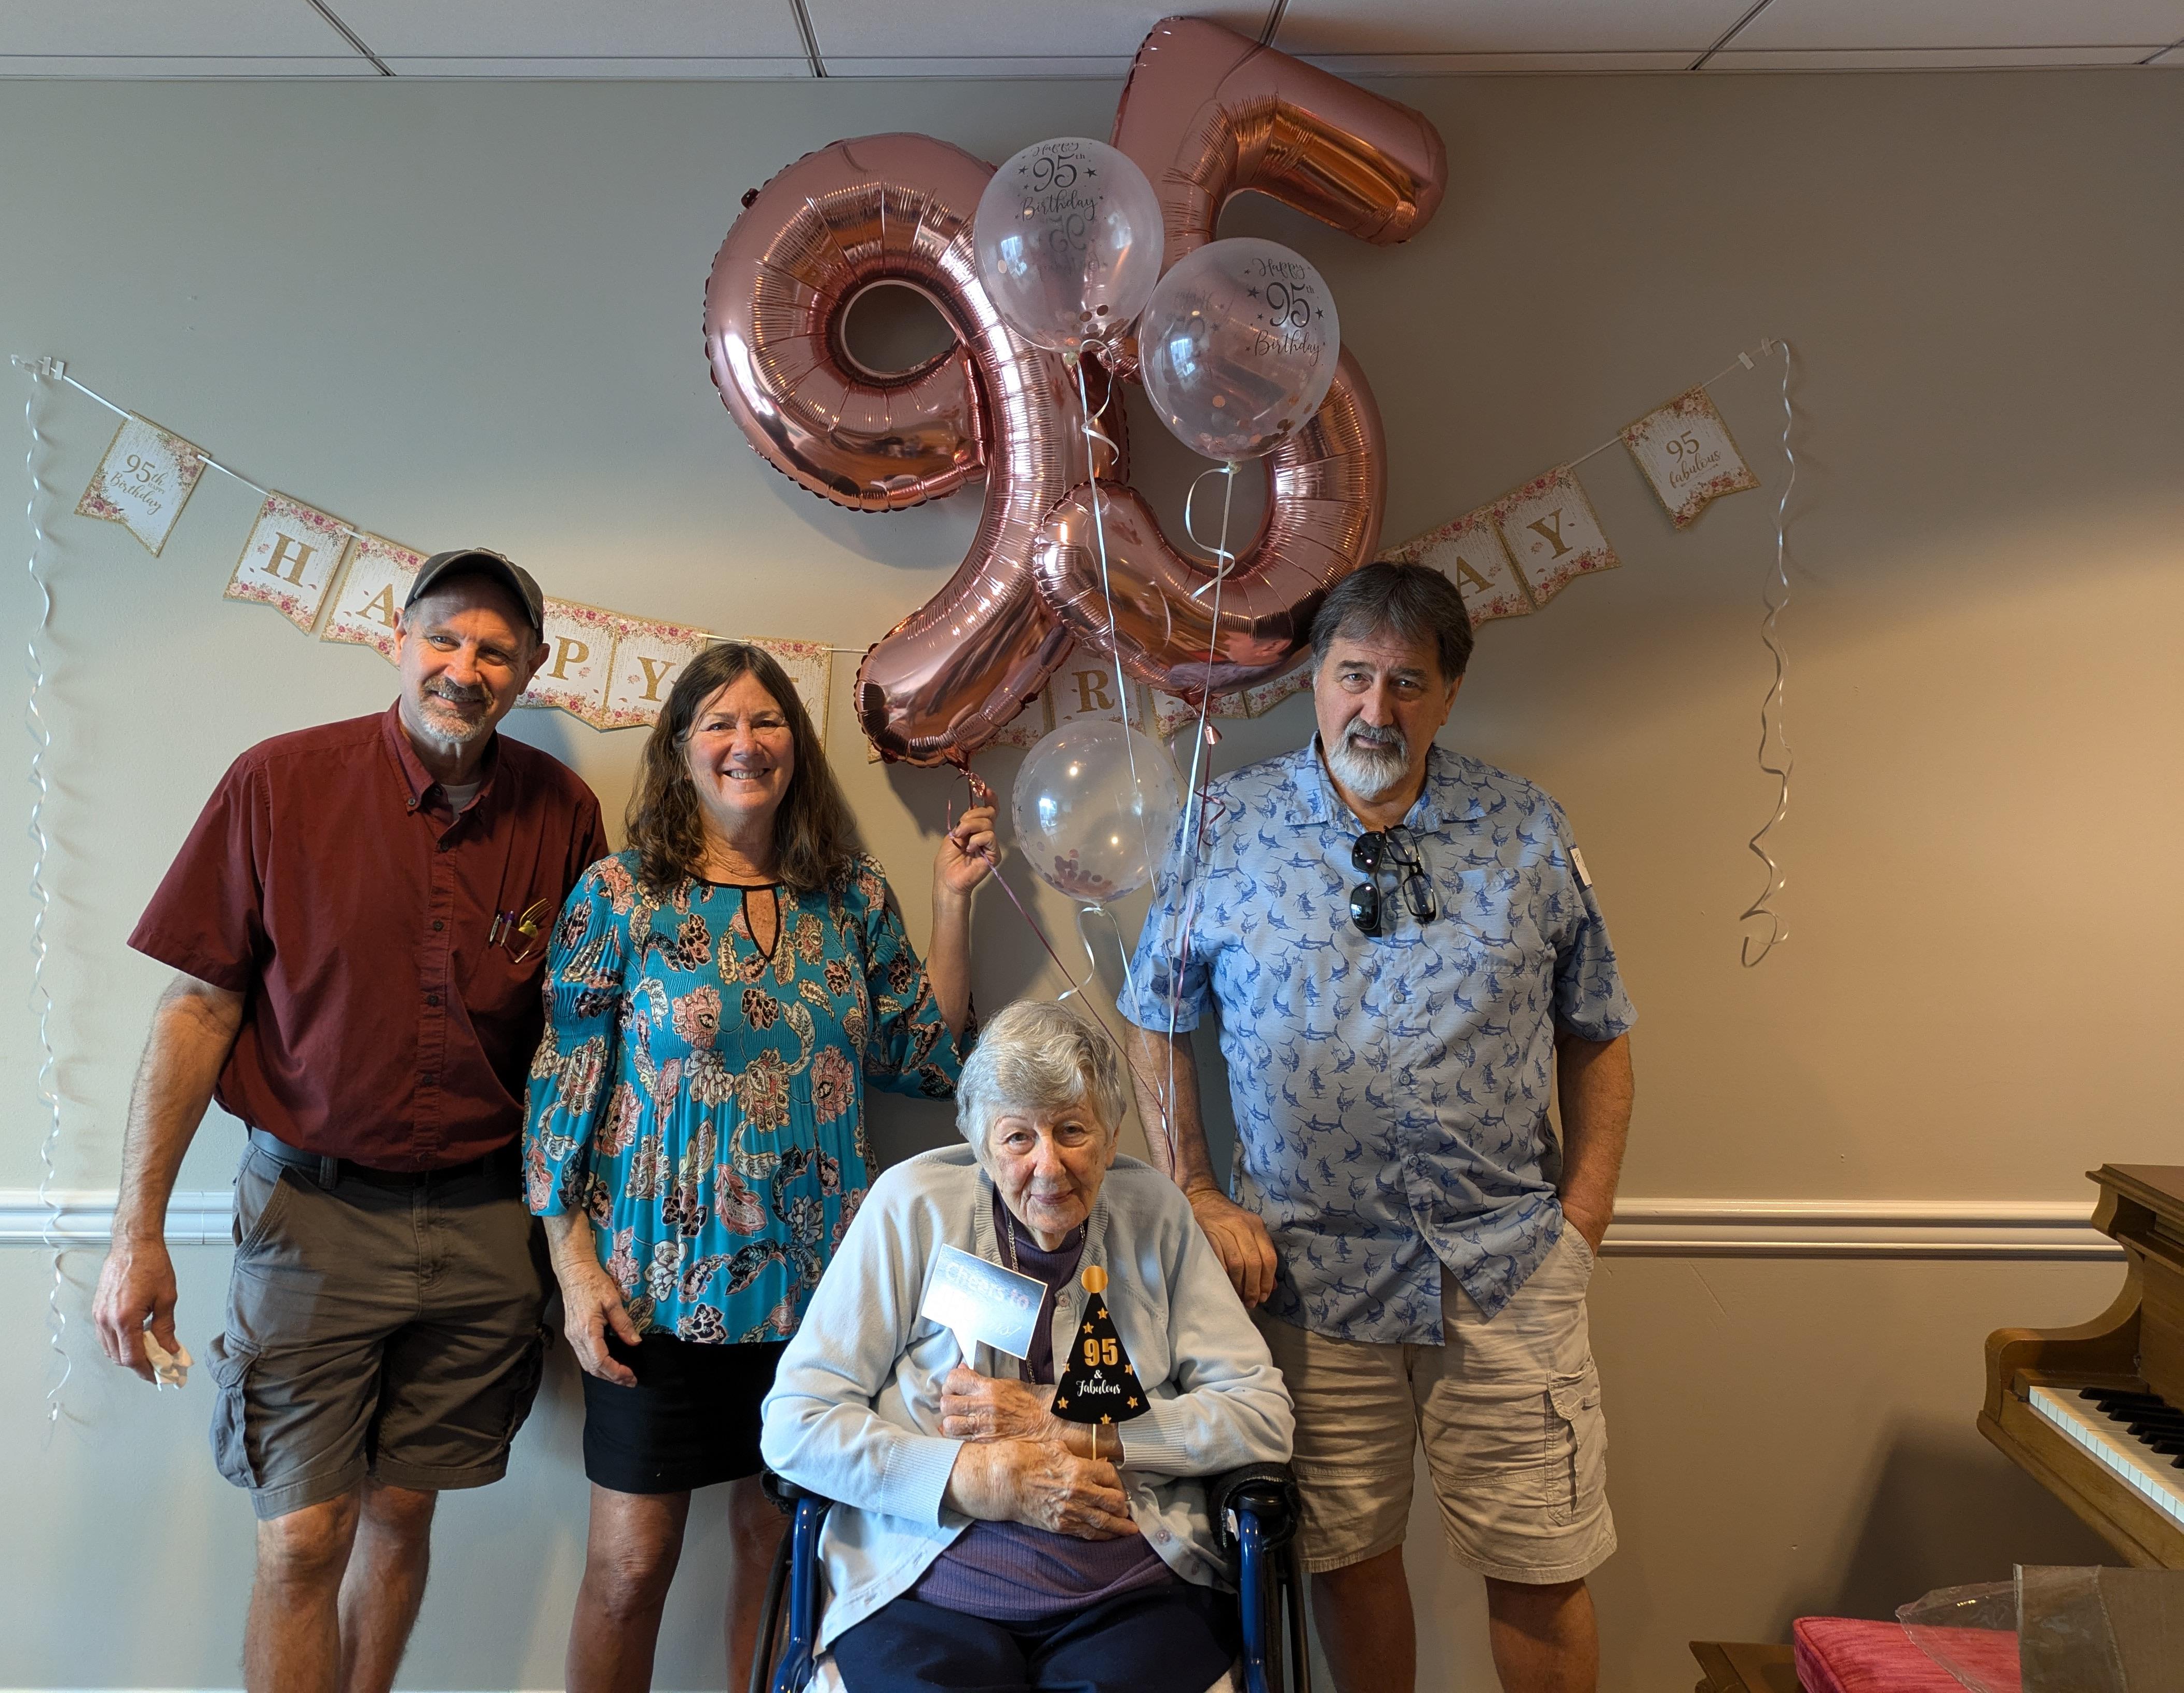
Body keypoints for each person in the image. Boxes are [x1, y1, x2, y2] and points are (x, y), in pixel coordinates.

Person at [90, 548, 607, 1693]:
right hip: (313, 1217)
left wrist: (577, 1249)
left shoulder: (562, 809)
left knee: (404, 1513)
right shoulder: (279, 783)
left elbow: (579, 1038)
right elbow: (197, 1008)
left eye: (492, 649)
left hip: (484, 1222)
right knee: (299, 1536)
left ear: (531, 669)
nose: (462, 667)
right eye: (443, 637)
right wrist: (138, 1233)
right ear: (396, 638)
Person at [1116, 561, 1637, 1693]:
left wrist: (1581, 1223)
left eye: (1407, 681)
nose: (1375, 707)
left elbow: (1596, 1029)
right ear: (1315, 678)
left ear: (1448, 693)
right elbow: (1150, 1018)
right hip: (1309, 1276)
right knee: (1345, 1560)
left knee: (1540, 1563)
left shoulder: (1525, 828)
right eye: (1353, 674)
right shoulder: (1227, 826)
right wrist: (1199, 1192)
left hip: (1502, 1267)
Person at [526, 640, 998, 1693]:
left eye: (768, 720)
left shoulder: (849, 898)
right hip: (651, 1294)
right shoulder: (618, 894)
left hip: (820, 1300)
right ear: (681, 751)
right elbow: (562, 1084)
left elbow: (925, 1055)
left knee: (775, 1550)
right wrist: (572, 1268)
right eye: (720, 724)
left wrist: (952, 900)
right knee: (627, 1564)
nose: (747, 743)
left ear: (797, 746)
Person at [760, 999, 1294, 1693]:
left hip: (1127, 1595)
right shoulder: (912, 1208)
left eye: (1072, 1130)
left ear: (1111, 1133)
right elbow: (796, 1424)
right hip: (926, 1589)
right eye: (1018, 1138)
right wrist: (977, 1480)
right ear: (980, 1143)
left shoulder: (1155, 1213)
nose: (1048, 1166)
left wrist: (1078, 1428)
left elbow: (1261, 1414)